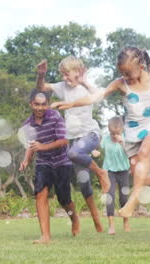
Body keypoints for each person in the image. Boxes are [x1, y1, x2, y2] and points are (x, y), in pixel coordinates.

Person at [51, 47, 150, 218]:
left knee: (144, 154)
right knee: (139, 175)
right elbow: (96, 97)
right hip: (131, 134)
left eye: (129, 73)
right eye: (122, 73)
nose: (126, 77)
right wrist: (72, 104)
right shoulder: (120, 83)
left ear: (141, 66)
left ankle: (132, 203)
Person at [36, 56, 109, 232]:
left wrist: (84, 83)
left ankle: (101, 172)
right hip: (74, 139)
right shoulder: (63, 87)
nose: (64, 78)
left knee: (73, 153)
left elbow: (100, 96)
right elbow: (41, 88)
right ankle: (96, 221)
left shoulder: (86, 87)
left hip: (91, 134)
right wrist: (41, 74)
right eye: (62, 75)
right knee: (84, 184)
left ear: (78, 72)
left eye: (67, 74)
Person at [19, 89, 79, 244]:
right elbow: (31, 146)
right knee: (40, 194)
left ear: (47, 105)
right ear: (31, 104)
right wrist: (26, 160)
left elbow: (64, 141)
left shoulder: (55, 117)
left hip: (62, 161)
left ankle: (74, 219)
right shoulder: (27, 125)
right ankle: (45, 236)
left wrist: (43, 147)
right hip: (43, 163)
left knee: (64, 199)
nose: (40, 108)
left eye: (43, 104)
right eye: (37, 104)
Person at [99, 116, 131, 235]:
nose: (114, 136)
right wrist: (95, 152)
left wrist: (122, 143)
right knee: (110, 197)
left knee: (124, 198)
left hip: (123, 171)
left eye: (116, 133)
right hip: (109, 171)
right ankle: (111, 226)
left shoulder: (126, 139)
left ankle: (126, 221)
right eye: (112, 133)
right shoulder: (106, 139)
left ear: (121, 130)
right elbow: (98, 149)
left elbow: (130, 154)